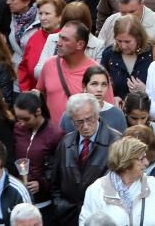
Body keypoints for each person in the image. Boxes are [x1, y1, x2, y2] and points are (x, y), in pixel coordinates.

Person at [52, 93, 122, 223]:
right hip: (68, 215)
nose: (85, 126)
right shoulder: (66, 142)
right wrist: (60, 206)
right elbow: (55, 181)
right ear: (72, 121)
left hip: (101, 218)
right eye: (79, 122)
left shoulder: (116, 142)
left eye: (89, 119)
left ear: (97, 115)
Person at [79, 135, 155, 225]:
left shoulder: (152, 184)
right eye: (141, 159)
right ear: (126, 164)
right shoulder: (96, 190)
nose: (147, 163)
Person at [12, 91, 64, 216]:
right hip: (19, 198)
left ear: (38, 112)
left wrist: (42, 183)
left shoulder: (55, 134)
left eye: (26, 119)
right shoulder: (17, 129)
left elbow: (59, 168)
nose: (22, 123)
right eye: (18, 119)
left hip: (43, 202)